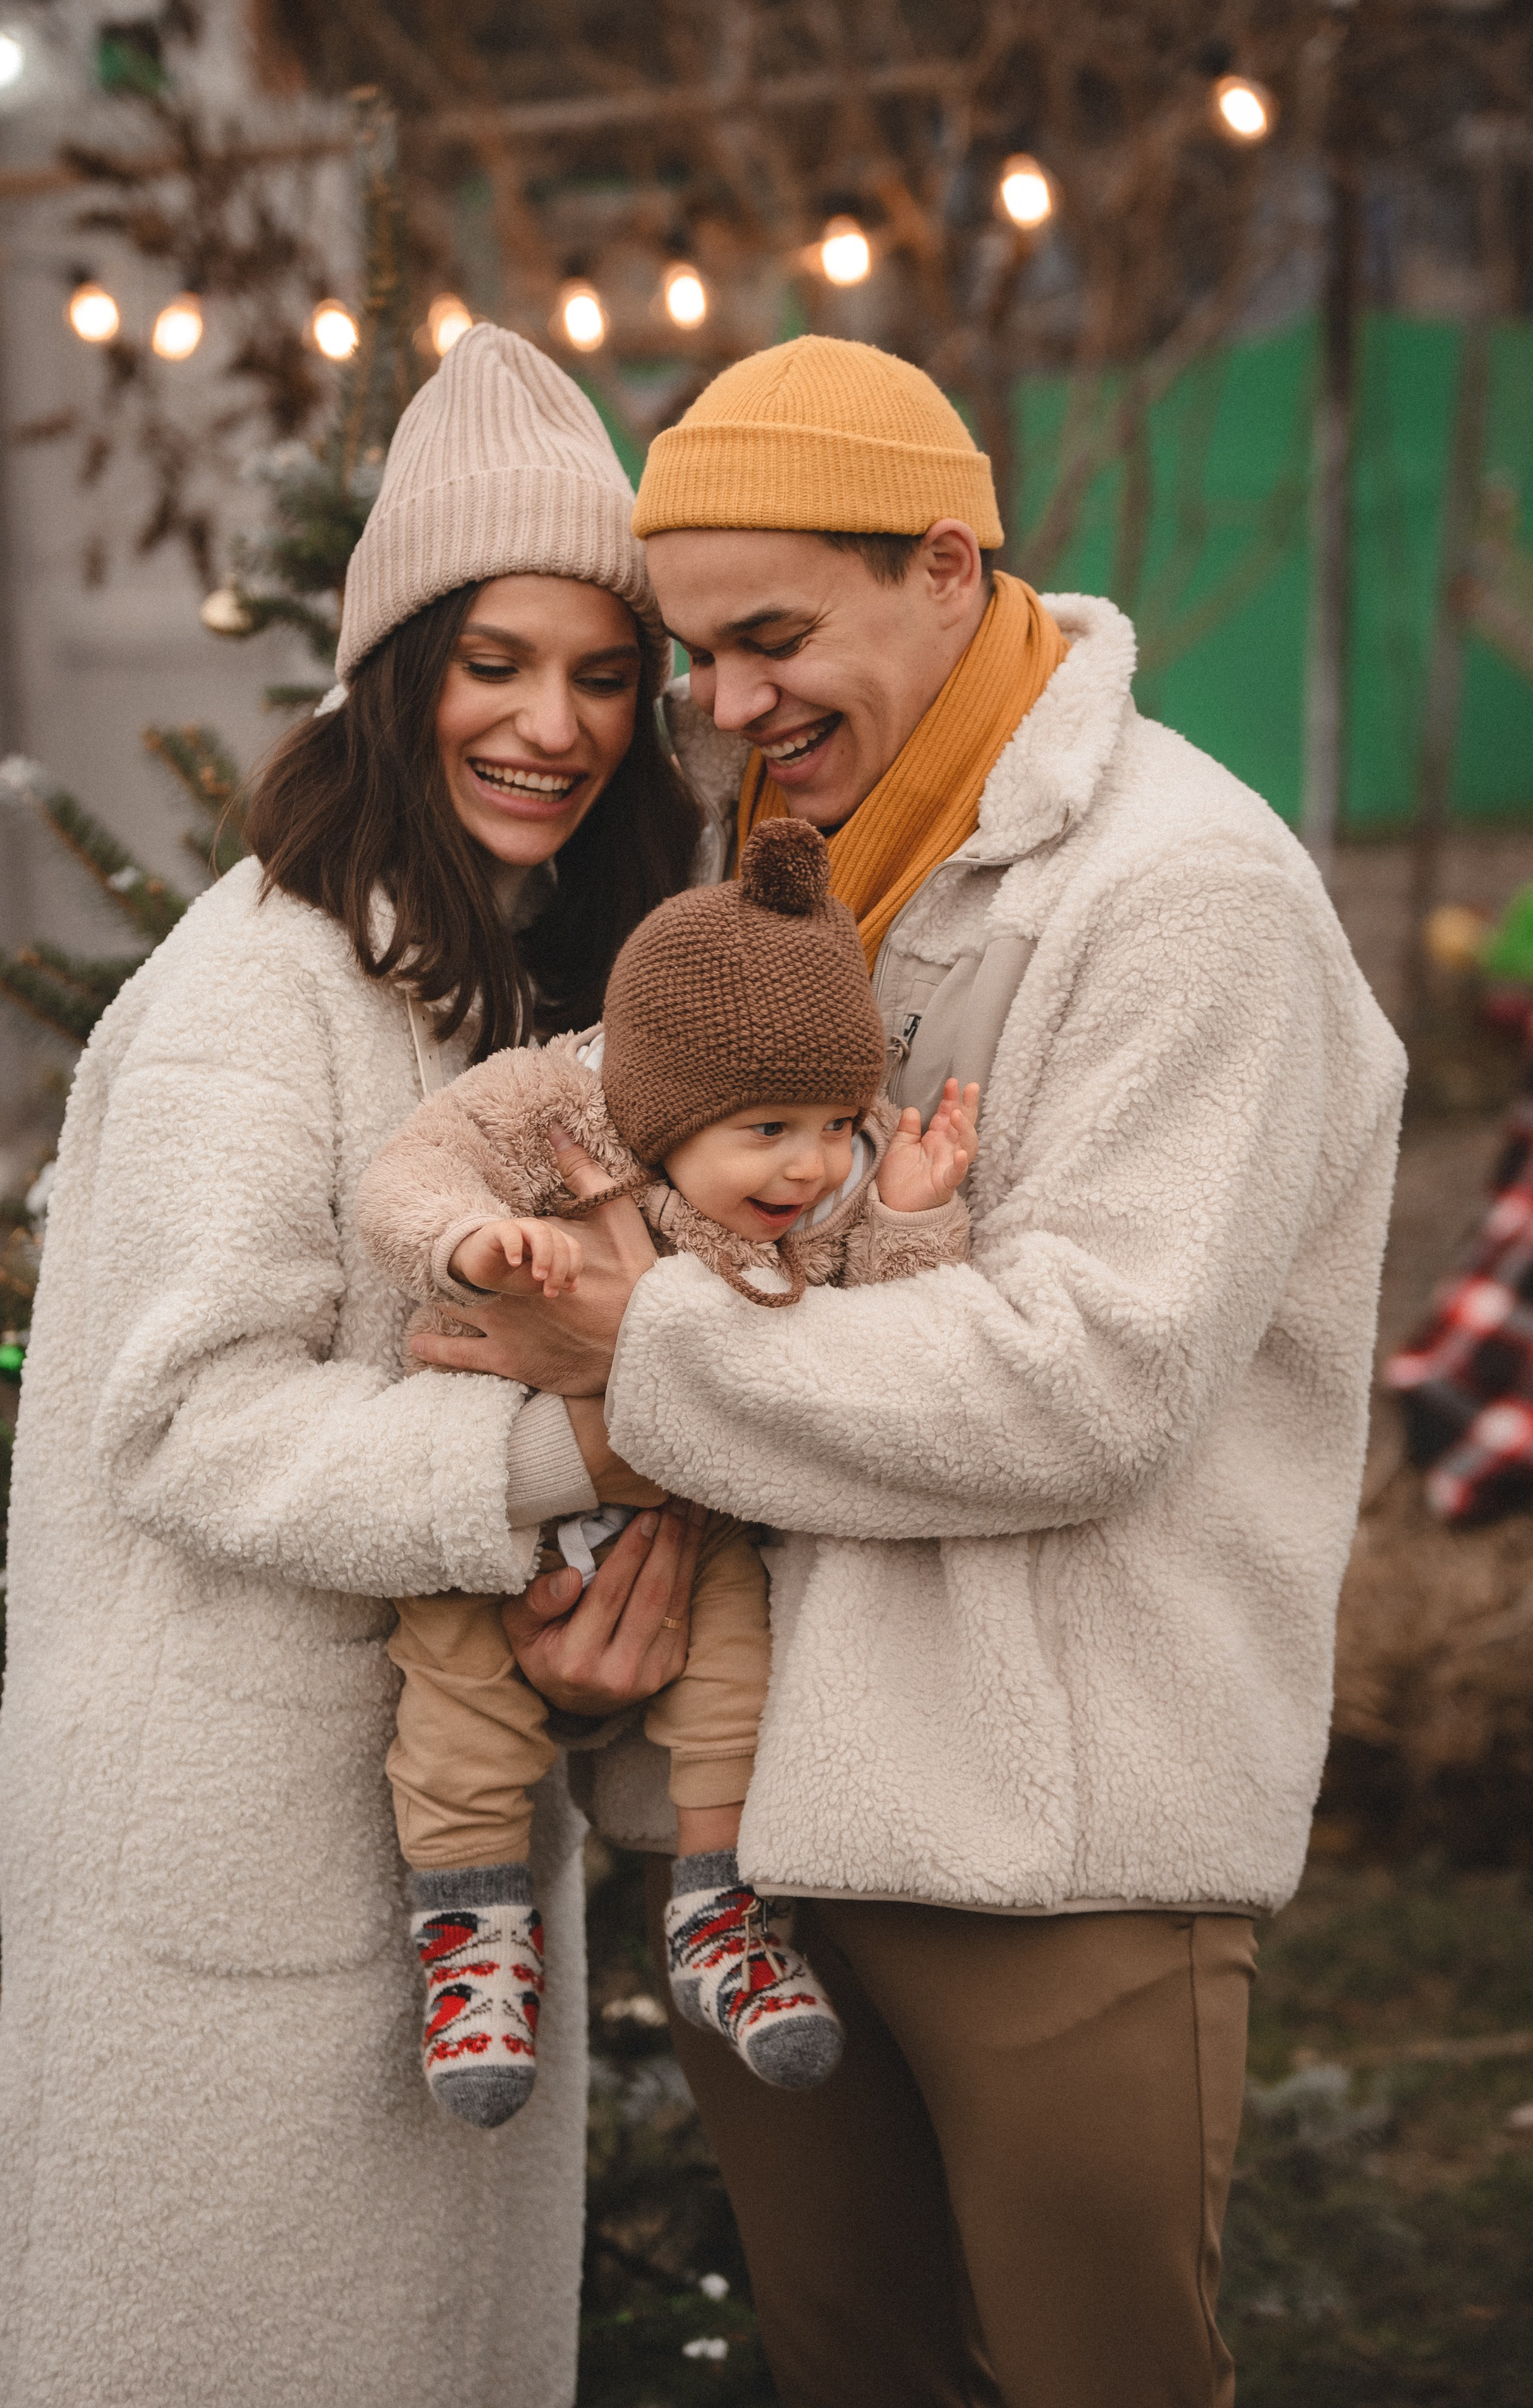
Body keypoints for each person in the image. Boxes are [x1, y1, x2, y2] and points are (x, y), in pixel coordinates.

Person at [413, 336, 1410, 2408]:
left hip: (1055, 1835)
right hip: (759, 1832)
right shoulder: (776, 879)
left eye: (774, 635)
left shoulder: (1184, 893)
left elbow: (1087, 1383)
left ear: (949, 565)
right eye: (698, 658)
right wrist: (616, 1599)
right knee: (853, 2371)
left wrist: (635, 1347)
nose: (732, 705)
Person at [0, 324, 708, 2408]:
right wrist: (563, 1438)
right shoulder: (264, 982)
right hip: (229, 1897)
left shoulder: (504, 974)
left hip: (429, 1869)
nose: (552, 724)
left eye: (599, 671)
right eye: (495, 661)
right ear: (397, 666)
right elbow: (189, 1415)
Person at [356, 814, 977, 2123]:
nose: (806, 1165)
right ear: (666, 1104)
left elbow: (889, 1336)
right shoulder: (551, 1110)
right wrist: (470, 1242)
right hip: (504, 1500)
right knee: (454, 1701)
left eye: (831, 1123)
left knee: (736, 1674)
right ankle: (472, 1936)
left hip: (690, 1533)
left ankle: (723, 1919)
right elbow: (406, 1179)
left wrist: (912, 1216)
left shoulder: (813, 1197)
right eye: (767, 1127)